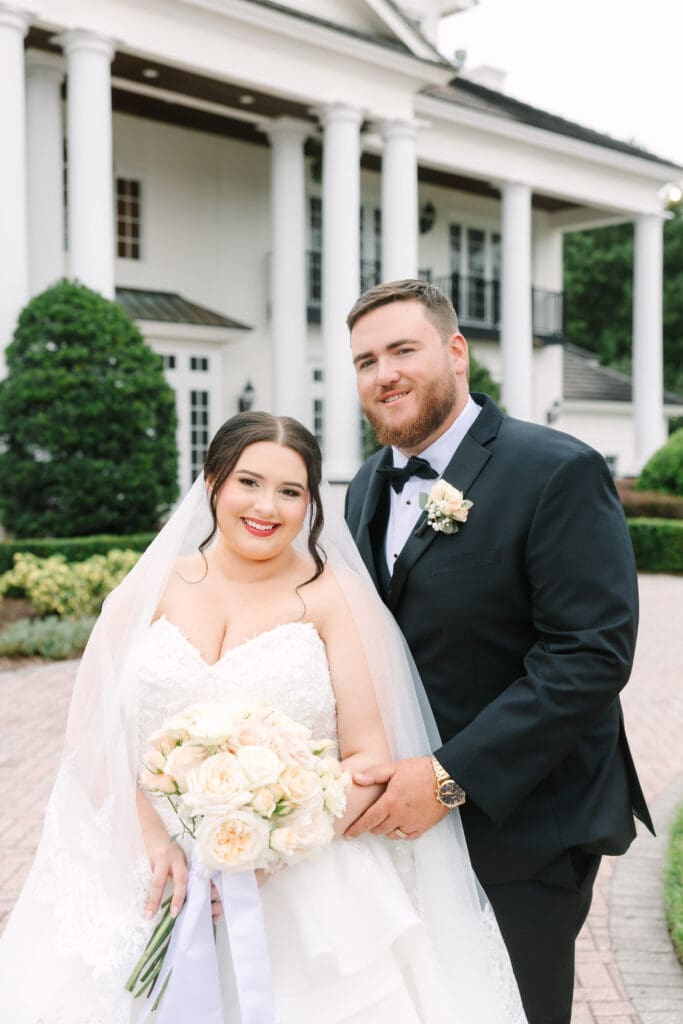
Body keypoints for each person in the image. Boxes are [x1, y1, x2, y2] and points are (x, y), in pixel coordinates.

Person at [0, 411, 527, 1024]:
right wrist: (154, 836)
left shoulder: (334, 598)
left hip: (299, 879)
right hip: (144, 866)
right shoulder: (153, 588)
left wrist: (267, 844)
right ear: (213, 482)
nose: (266, 506)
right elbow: (90, 732)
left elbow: (366, 757)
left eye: (290, 491)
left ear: (311, 503)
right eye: (249, 482)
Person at [343, 279, 654, 1024]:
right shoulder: (362, 488)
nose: (381, 373)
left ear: (456, 353)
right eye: (363, 360)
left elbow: (589, 655)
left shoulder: (555, 469)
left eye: (401, 350)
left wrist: (449, 779)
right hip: (396, 832)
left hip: (522, 829)